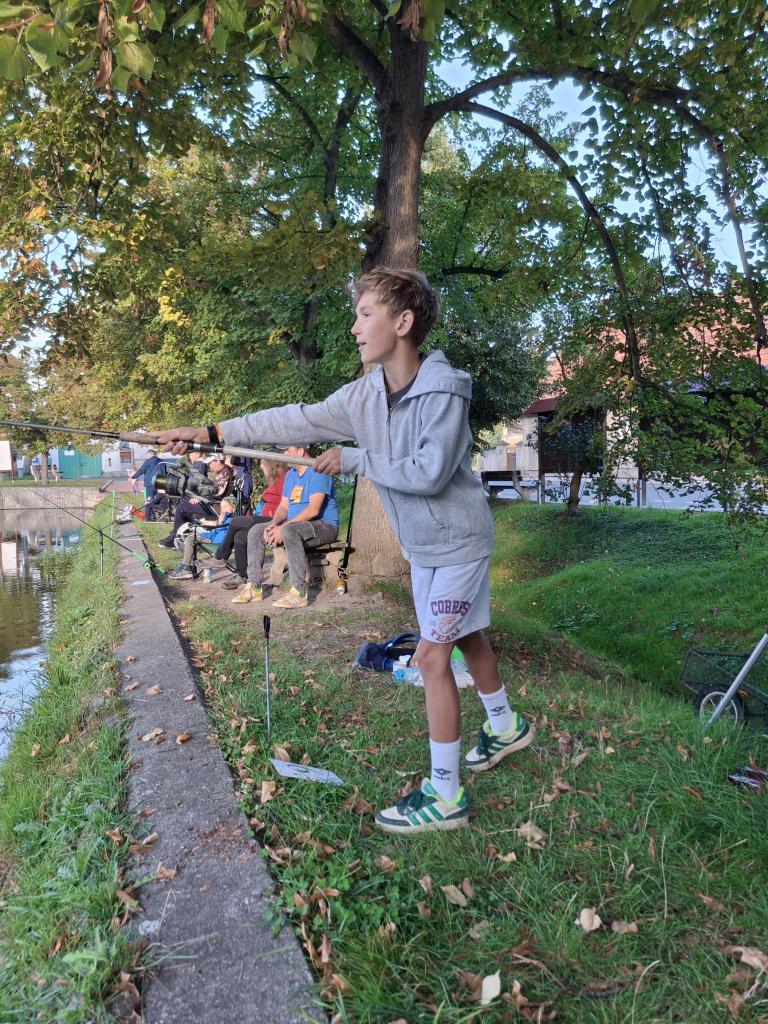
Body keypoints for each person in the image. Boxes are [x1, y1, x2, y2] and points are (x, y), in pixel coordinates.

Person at [154, 267, 533, 835]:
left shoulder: (444, 392)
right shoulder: (364, 395)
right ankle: (505, 727)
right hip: (425, 546)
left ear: (402, 322)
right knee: (466, 636)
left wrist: (354, 459)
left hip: (458, 541)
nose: (355, 327)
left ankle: (446, 796)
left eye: (365, 314)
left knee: (432, 659)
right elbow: (293, 418)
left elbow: (429, 472)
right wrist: (209, 433)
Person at [232, 443, 338, 608]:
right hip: (295, 525)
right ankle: (254, 586)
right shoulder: (291, 475)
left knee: (289, 531)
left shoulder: (318, 471)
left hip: (324, 526)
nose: (284, 454)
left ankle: (299, 592)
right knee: (256, 531)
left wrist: (283, 528)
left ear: (301, 451)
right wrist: (274, 524)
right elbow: (283, 507)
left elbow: (313, 510)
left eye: (288, 450)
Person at [168, 459, 284, 583]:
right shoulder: (273, 482)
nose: (261, 468)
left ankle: (220, 558)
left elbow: (284, 506)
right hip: (265, 518)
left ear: (272, 467)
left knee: (235, 522)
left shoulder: (282, 481)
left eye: (263, 466)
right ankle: (241, 575)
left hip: (274, 519)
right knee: (239, 536)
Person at [157, 454, 232, 549]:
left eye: (210, 463)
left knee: (182, 507)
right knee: (185, 501)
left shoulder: (224, 473)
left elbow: (218, 494)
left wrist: (200, 498)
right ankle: (178, 535)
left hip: (215, 507)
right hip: (213, 504)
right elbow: (213, 490)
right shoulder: (223, 472)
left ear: (217, 460)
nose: (210, 467)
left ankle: (175, 537)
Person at [128, 448, 163, 522]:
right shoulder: (161, 461)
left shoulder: (148, 461)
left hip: (150, 484)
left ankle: (148, 518)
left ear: (149, 455)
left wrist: (133, 477)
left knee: (149, 500)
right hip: (160, 484)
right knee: (158, 500)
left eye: (147, 456)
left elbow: (141, 470)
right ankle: (159, 515)